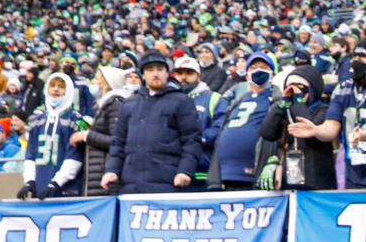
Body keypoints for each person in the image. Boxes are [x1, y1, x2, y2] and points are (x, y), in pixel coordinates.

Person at [289, 40, 366, 189]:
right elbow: (331, 127)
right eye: (354, 58)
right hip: (355, 173)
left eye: (363, 58)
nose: (357, 62)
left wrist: (363, 135)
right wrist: (315, 130)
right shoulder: (343, 89)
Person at [102, 51, 202, 195]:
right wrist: (112, 170)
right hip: (131, 184)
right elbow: (118, 142)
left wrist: (185, 171)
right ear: (143, 74)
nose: (155, 74)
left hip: (168, 183)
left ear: (167, 73)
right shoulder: (129, 104)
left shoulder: (182, 101)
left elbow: (192, 139)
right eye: (150, 70)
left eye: (160, 69)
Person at [257, 64, 336, 190]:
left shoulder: (324, 109)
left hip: (317, 181)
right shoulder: (287, 110)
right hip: (290, 180)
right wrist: (281, 106)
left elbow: (308, 130)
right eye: (290, 86)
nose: (294, 90)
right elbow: (267, 133)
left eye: (300, 86)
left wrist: (300, 102)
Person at [210, 51, 278, 190]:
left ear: (272, 74)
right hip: (226, 174)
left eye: (264, 67)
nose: (259, 70)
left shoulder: (276, 100)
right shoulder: (237, 101)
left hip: (254, 175)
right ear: (247, 75)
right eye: (253, 67)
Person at [19, 73, 84, 200]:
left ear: (69, 91)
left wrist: (56, 183)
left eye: (61, 86)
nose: (56, 89)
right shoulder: (36, 120)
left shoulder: (76, 120)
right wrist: (30, 181)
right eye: (52, 85)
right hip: (41, 187)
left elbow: (75, 157)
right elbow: (30, 155)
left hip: (67, 190)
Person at [173, 56, 228, 187]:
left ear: (198, 75)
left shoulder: (214, 99)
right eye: (180, 73)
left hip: (202, 170)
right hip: (171, 170)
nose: (184, 77)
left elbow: (220, 129)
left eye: (189, 73)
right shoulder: (167, 99)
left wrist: (193, 139)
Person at [78, 66, 130, 196]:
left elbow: (117, 140)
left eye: (97, 78)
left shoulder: (116, 104)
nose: (94, 82)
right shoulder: (103, 104)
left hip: (106, 174)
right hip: (98, 174)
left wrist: (87, 136)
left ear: (108, 82)